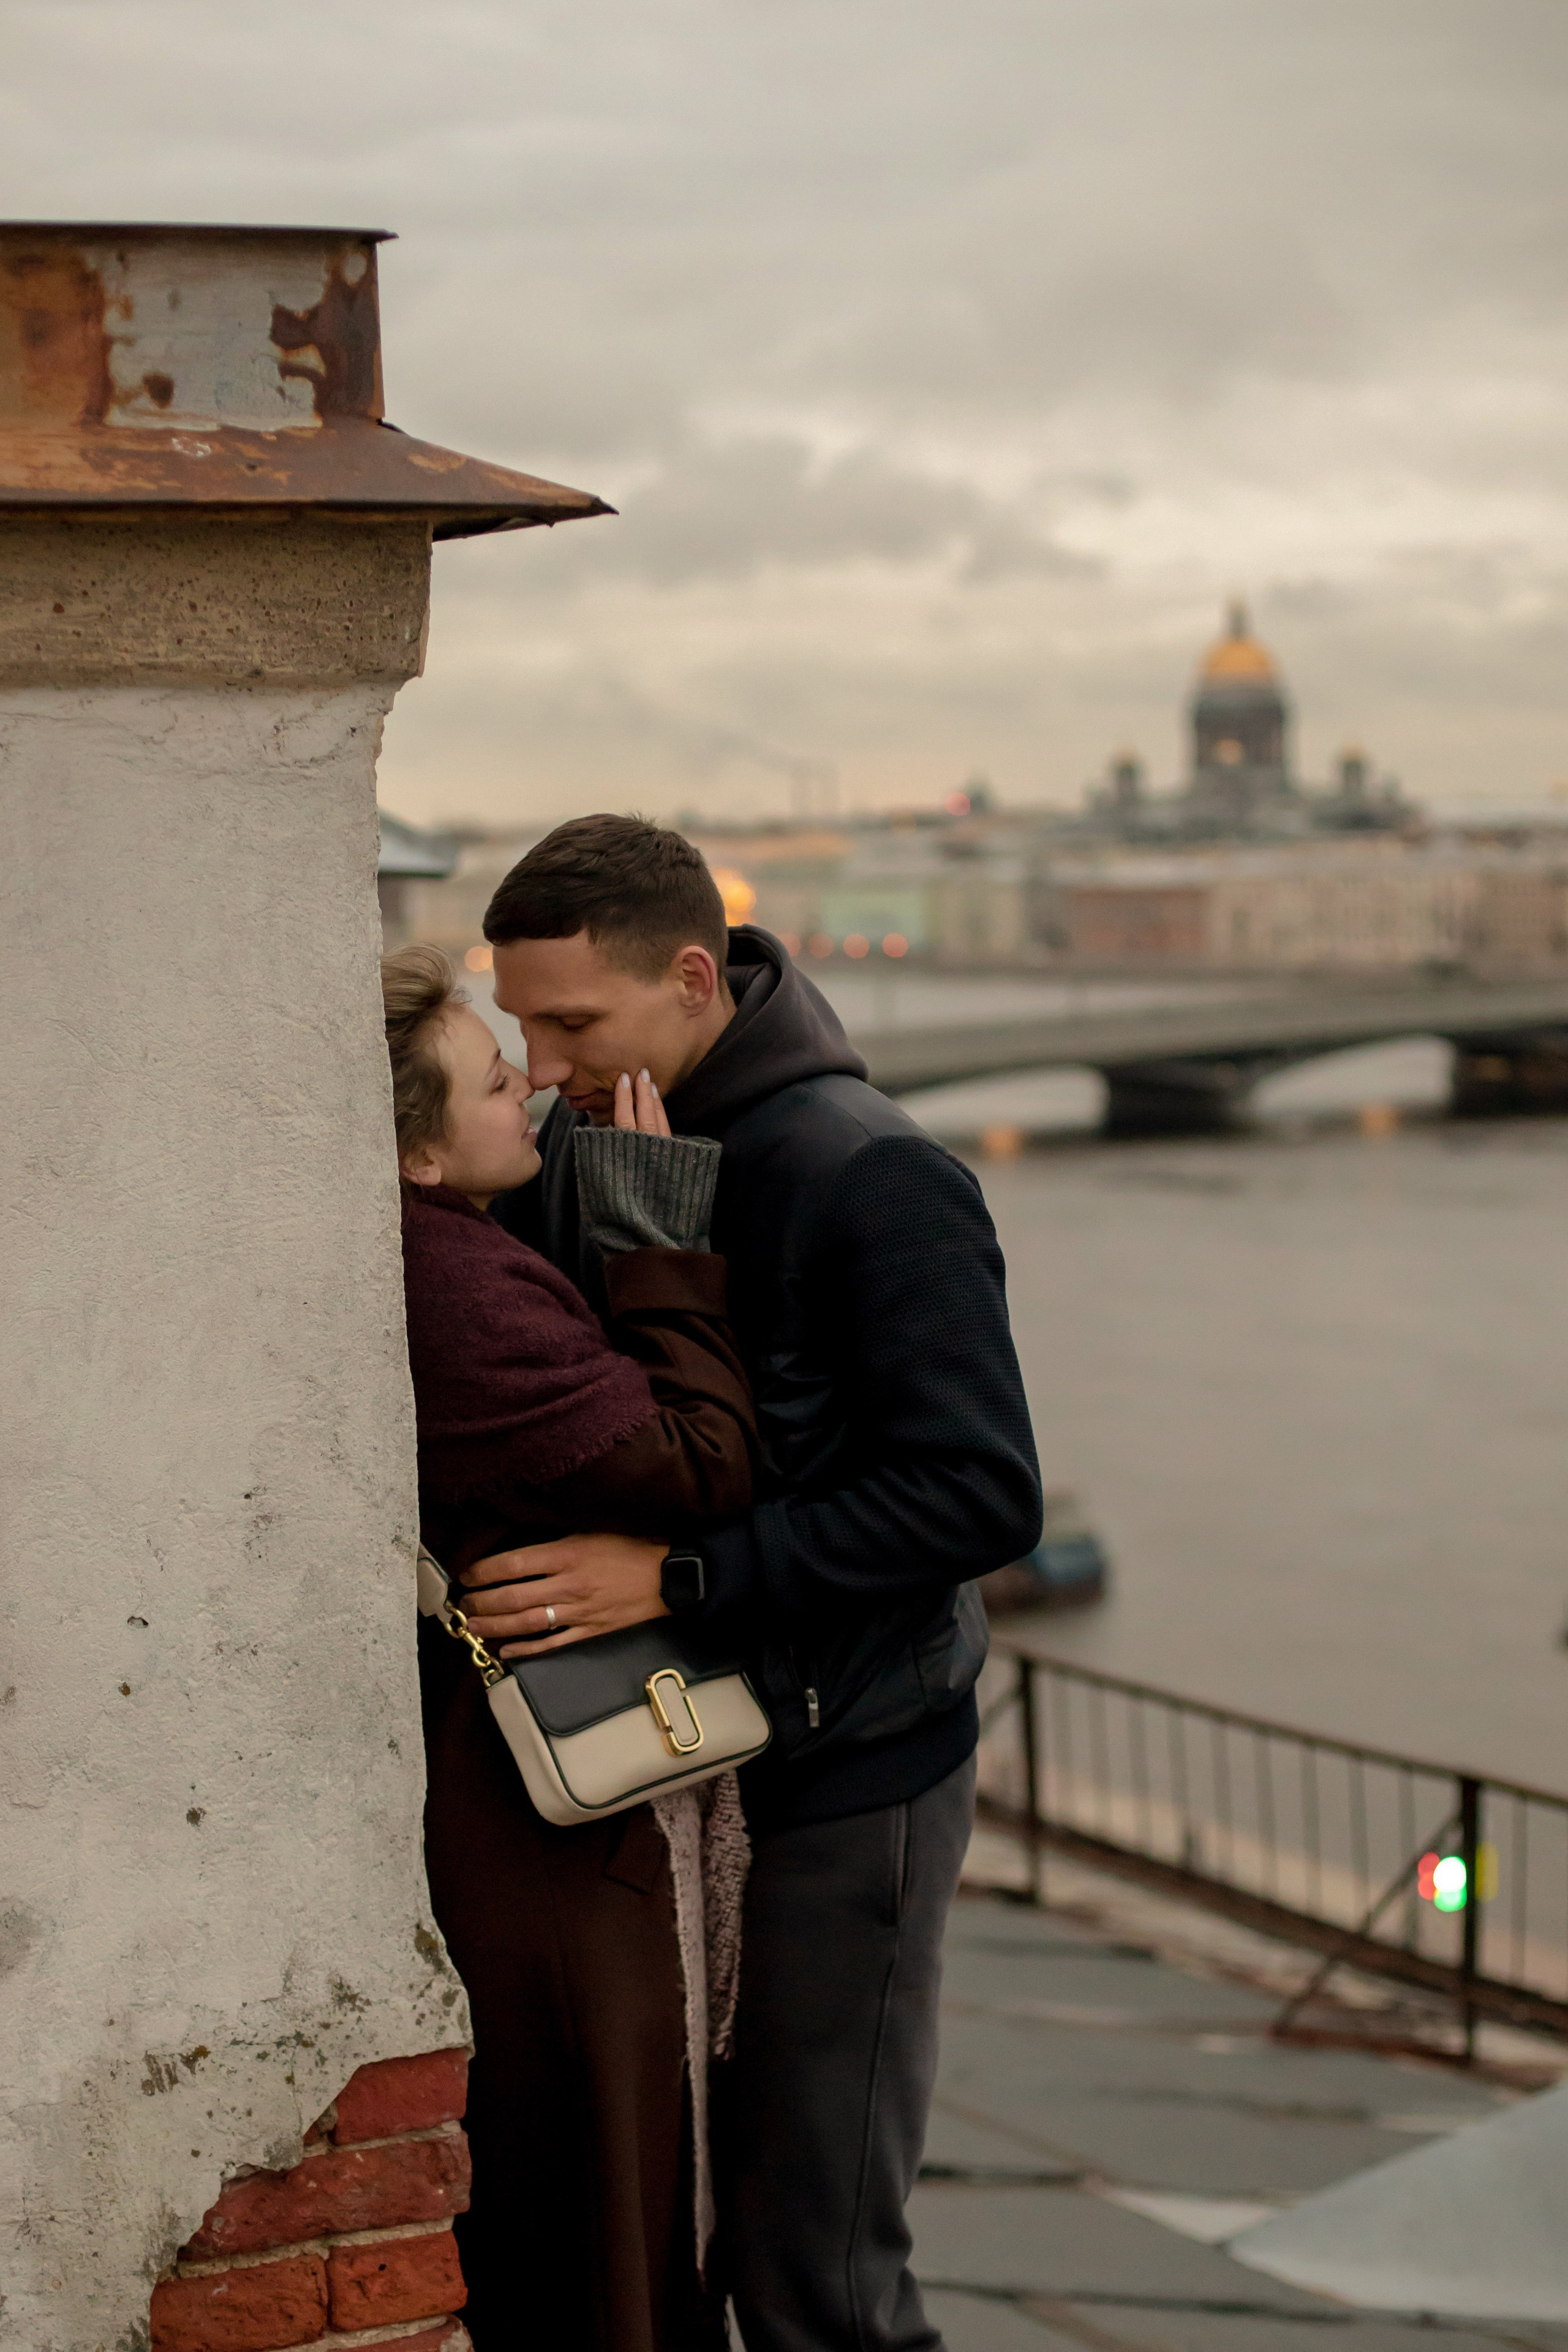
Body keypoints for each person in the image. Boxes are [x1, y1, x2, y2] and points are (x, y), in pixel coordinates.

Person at [459, 818, 1043, 2352]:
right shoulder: (582, 1140)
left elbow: (979, 1494)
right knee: (680, 2238)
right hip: (680, 1755)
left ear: (694, 980)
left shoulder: (873, 1172)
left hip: (850, 1764)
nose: (541, 1058)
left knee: (815, 2267)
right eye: (518, 1022)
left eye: (572, 1023)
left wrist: (678, 1572)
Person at [382, 943, 758, 2352]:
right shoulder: (463, 1294)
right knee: (608, 2193)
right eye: (496, 1078)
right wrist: (661, 1245)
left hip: (523, 1803)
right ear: (419, 1155)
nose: (537, 1088)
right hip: (554, 1827)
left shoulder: (455, 1254)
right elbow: (702, 1464)